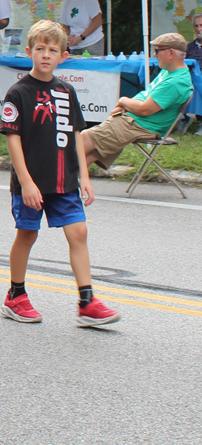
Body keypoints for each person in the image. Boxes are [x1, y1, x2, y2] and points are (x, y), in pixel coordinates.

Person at [0, 20, 120, 327]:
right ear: (29, 52)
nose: (46, 55)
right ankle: (15, 295)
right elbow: (13, 139)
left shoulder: (67, 91)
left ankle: (87, 302)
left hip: (64, 180)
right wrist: (25, 182)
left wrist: (84, 177)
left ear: (63, 56)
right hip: (32, 182)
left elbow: (78, 135)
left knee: (79, 232)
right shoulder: (18, 93)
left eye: (53, 50)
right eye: (40, 48)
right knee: (27, 234)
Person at [82, 33, 193, 170]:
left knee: (83, 140)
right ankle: (67, 184)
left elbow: (144, 109)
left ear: (171, 53)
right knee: (92, 150)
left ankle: (56, 182)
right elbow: (145, 96)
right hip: (135, 122)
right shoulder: (170, 72)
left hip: (139, 125)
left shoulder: (175, 82)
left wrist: (123, 101)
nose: (154, 54)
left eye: (158, 51)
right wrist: (124, 107)